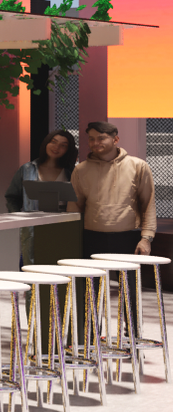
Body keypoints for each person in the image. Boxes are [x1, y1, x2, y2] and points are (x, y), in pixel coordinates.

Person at [71, 120, 154, 335]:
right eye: (91, 138)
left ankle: (133, 336)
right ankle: (89, 338)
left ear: (115, 139)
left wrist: (146, 237)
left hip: (127, 237)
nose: (95, 142)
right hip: (92, 237)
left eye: (101, 138)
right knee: (90, 290)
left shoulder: (138, 166)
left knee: (130, 291)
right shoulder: (80, 170)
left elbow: (148, 204)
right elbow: (75, 209)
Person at [5, 128, 80, 212]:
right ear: (46, 143)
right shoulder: (27, 169)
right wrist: (18, 220)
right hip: (33, 222)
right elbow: (12, 198)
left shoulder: (72, 172)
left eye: (63, 145)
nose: (56, 147)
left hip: (64, 222)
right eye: (53, 142)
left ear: (68, 150)